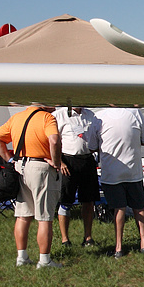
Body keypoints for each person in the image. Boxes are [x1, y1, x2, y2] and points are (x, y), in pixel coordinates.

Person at [0, 103, 65, 268]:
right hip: (41, 168)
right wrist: (57, 162)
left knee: (23, 215)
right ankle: (44, 260)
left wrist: (9, 159)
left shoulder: (17, 118)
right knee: (44, 217)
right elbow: (54, 140)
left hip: (20, 166)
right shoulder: (47, 118)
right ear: (44, 103)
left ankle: (22, 257)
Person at [95, 107, 144, 258]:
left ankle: (119, 247)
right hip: (133, 171)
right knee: (139, 208)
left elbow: (93, 146)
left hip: (111, 173)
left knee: (118, 209)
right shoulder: (135, 112)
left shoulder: (99, 116)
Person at [55, 106, 102, 247]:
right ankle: (65, 239)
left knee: (88, 201)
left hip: (87, 159)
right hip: (68, 161)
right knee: (66, 201)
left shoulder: (90, 115)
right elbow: (53, 140)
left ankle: (88, 237)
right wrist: (60, 162)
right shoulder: (59, 115)